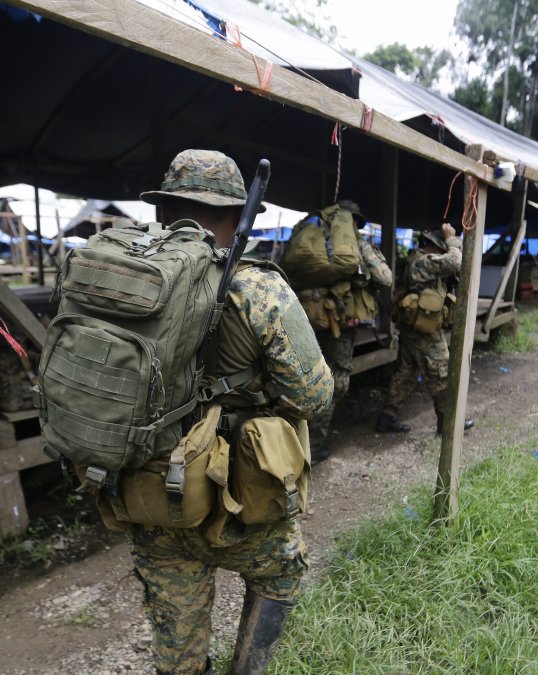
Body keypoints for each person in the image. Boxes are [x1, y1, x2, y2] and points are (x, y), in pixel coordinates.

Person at [131, 149, 333, 675]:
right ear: (235, 215)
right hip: (239, 499)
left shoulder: (125, 285)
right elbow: (314, 397)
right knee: (280, 573)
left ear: (163, 212)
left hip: (149, 495)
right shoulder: (258, 287)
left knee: (176, 632)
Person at [303, 199, 393, 463]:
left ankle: (295, 434)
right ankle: (313, 442)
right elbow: (385, 278)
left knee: (308, 373)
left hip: (310, 318)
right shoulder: (356, 247)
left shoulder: (314, 244)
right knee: (335, 380)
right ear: (354, 222)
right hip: (340, 325)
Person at [375, 222, 474, 434]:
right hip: (423, 331)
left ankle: (387, 417)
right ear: (435, 246)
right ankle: (448, 423)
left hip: (415, 327)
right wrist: (452, 240)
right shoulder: (423, 261)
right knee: (442, 372)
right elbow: (456, 261)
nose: (443, 252)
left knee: (407, 373)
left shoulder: (418, 261)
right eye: (442, 249)